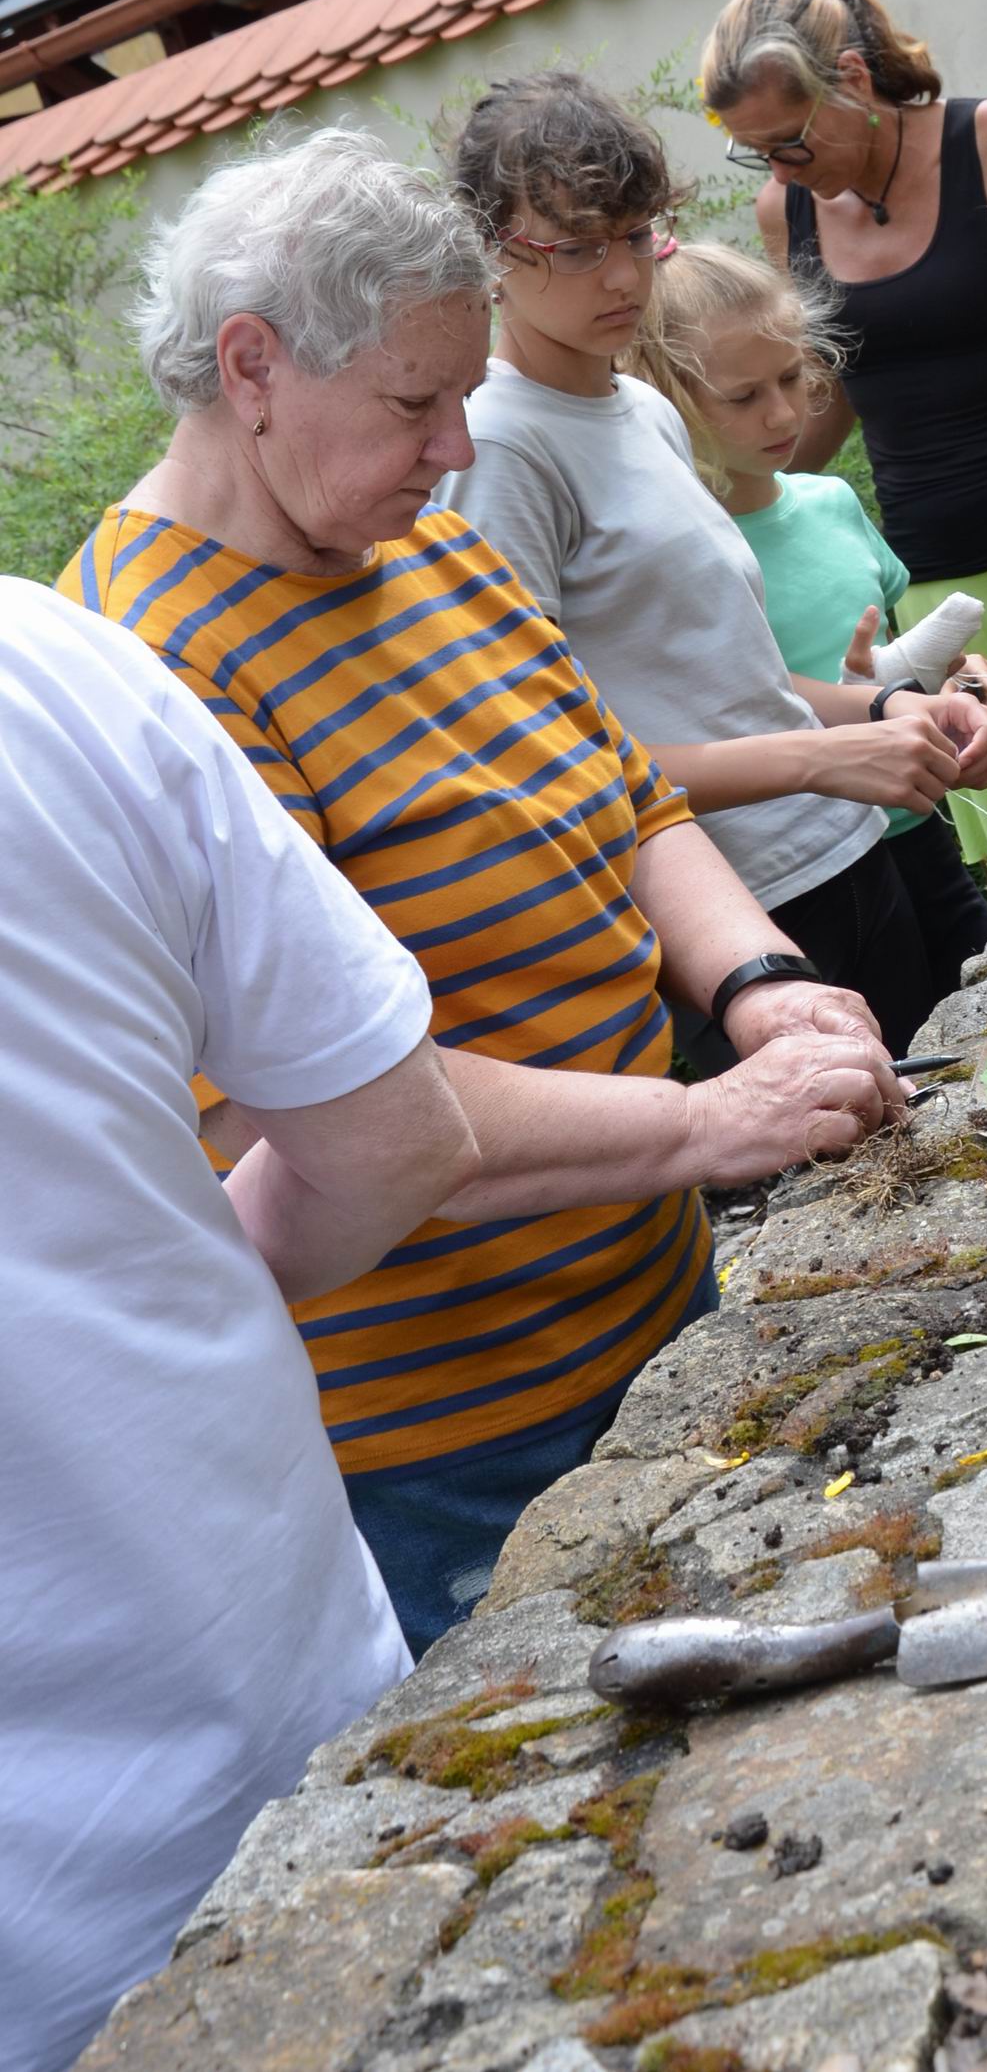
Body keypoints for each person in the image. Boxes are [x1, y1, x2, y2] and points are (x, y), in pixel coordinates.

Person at [63, 125, 903, 1656]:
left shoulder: (427, 553)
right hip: (457, 1434)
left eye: (463, 395)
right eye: (414, 401)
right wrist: (716, 1120)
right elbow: (328, 1106)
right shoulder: (147, 672)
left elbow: (627, 801)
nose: (460, 446)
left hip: (653, 1293)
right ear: (251, 366)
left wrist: (754, 984)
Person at [0, 577, 480, 2072]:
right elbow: (394, 1134)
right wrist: (158, 1314)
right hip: (291, 1721)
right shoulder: (54, 655)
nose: (451, 444)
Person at [439, 71, 987, 1053]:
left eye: (634, 234)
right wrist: (829, 755)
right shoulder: (499, 450)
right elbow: (546, 763)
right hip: (732, 927)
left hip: (846, 854)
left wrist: (887, 713)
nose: (621, 276)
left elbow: (731, 679)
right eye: (575, 246)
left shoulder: (644, 408)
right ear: (487, 250)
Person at [699, 0, 987, 872]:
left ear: (852, 79)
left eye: (790, 141)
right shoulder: (789, 208)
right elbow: (826, 389)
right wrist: (732, 495)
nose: (777, 170)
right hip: (934, 572)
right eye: (756, 153)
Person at [632, 236, 987, 998]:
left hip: (918, 830)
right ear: (662, 396)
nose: (783, 411)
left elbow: (887, 658)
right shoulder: (686, 552)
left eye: (793, 377)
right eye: (742, 396)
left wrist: (960, 684)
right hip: (802, 870)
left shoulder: (831, 503)